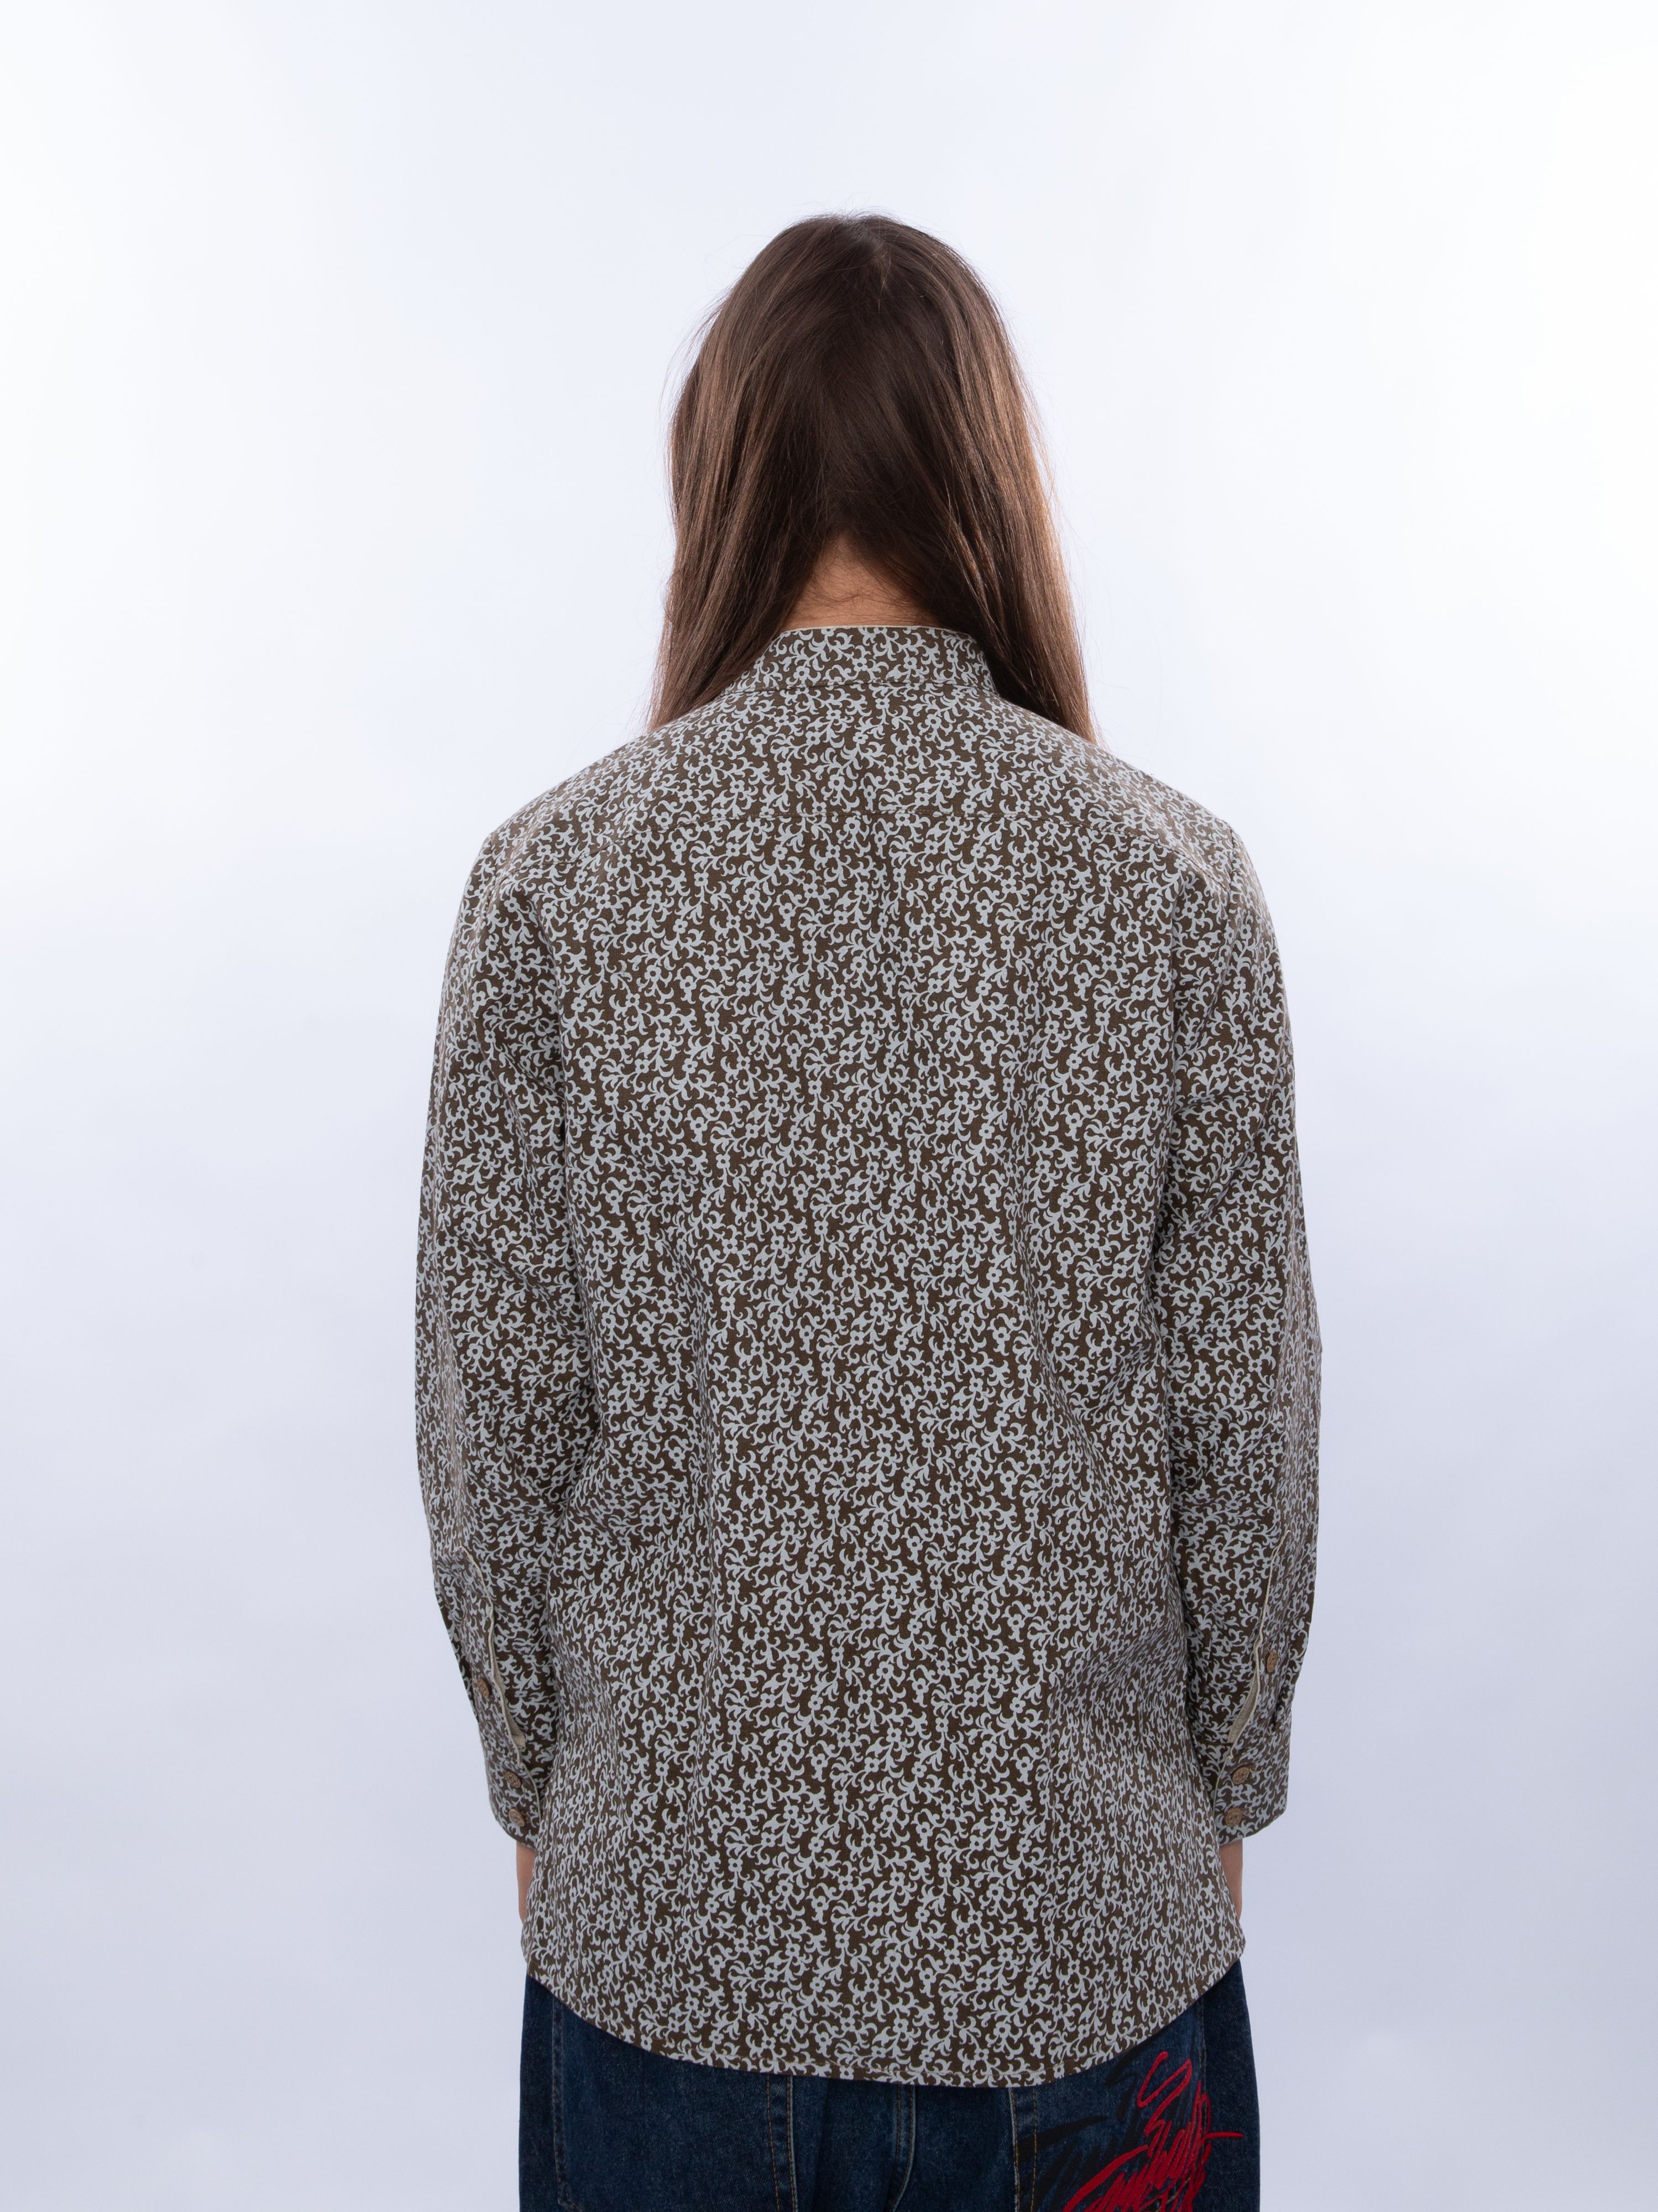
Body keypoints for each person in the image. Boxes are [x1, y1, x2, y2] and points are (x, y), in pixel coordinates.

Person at [417, 213, 1318, 2212]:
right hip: (1081, 1933)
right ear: (986, 473)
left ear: (721, 475)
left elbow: (497, 1420)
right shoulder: (1173, 881)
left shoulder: (554, 883)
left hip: (674, 1938)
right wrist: (1230, 1781)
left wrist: (544, 1780)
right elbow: (1244, 1415)